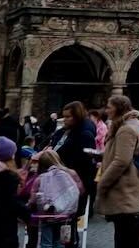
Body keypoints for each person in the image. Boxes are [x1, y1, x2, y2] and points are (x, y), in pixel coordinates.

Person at [95, 95, 139, 248]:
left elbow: (121, 161)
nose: (107, 110)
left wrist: (103, 182)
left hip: (124, 187)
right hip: (126, 186)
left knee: (124, 234)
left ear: (118, 108)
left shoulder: (126, 129)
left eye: (109, 107)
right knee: (125, 232)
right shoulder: (127, 124)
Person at [54, 100, 98, 239]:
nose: (65, 120)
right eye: (64, 116)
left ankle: (69, 242)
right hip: (60, 178)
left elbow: (84, 161)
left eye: (68, 117)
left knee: (69, 219)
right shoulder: (65, 131)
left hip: (73, 181)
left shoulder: (84, 134)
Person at [25, 149, 82, 248]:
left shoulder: (40, 178)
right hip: (64, 215)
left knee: (46, 242)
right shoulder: (70, 173)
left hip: (46, 216)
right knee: (60, 242)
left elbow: (33, 198)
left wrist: (28, 205)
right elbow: (79, 190)